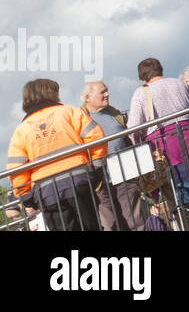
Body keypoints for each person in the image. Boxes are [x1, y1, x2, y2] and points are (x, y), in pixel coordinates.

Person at [7, 79, 106, 231]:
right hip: (79, 179)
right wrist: (97, 166)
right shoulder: (71, 112)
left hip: (47, 191)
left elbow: (16, 169)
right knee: (91, 226)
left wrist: (26, 197)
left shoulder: (21, 130)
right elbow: (96, 138)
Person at [82, 80, 146, 231]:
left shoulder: (113, 113)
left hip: (124, 172)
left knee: (134, 219)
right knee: (111, 224)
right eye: (102, 92)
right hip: (100, 180)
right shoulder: (80, 119)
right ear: (87, 98)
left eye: (107, 90)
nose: (107, 94)